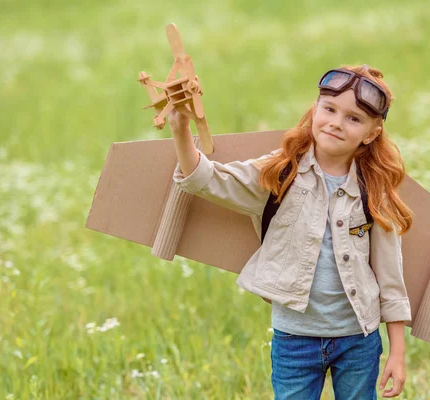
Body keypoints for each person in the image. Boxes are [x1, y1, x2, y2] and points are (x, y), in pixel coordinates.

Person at [169, 64, 413, 399]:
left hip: (358, 338)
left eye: (353, 119)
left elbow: (390, 276)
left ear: (371, 133)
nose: (336, 123)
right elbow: (206, 179)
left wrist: (397, 353)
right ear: (315, 110)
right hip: (294, 338)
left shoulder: (374, 189)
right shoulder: (280, 172)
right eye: (329, 109)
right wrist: (180, 126)